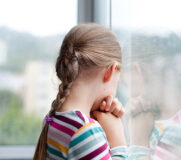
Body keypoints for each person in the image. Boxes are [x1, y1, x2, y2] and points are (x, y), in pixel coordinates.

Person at [33, 23, 128, 160]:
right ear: (110, 71)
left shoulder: (55, 117)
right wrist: (118, 143)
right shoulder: (84, 132)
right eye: (117, 82)